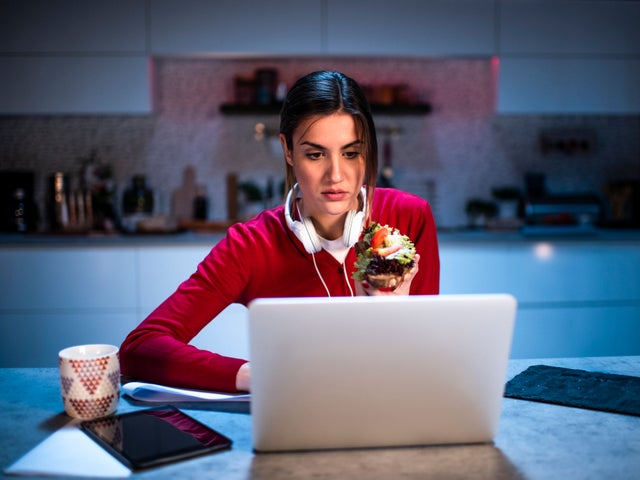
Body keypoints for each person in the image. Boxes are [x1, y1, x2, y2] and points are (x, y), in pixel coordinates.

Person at [119, 71, 440, 393]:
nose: (336, 175)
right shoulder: (249, 245)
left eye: (351, 153)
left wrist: (395, 316)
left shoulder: (409, 217)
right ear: (287, 150)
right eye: (315, 155)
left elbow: (427, 358)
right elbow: (139, 349)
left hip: (392, 404)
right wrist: (256, 376)